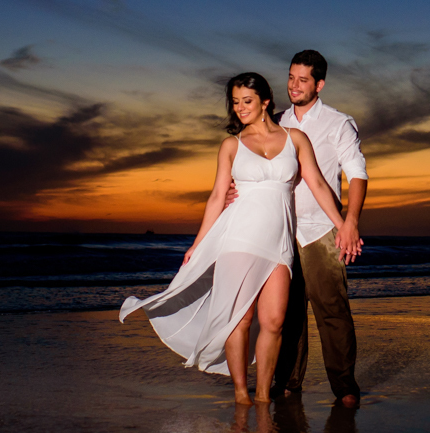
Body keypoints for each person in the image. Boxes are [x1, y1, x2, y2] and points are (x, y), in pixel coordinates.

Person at [119, 72, 348, 405]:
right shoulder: (231, 145)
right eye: (236, 102)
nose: (240, 108)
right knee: (240, 319)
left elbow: (318, 184)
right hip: (239, 239)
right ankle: (243, 395)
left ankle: (264, 397)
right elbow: (216, 197)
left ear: (265, 101)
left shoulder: (296, 138)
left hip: (280, 244)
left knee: (274, 321)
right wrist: (198, 244)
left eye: (247, 101)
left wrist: (342, 224)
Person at [226, 50, 367, 408]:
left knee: (332, 310)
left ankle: (344, 386)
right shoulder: (275, 122)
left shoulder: (338, 123)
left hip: (320, 229)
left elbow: (357, 174)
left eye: (303, 80)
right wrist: (233, 191)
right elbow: (250, 168)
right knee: (286, 316)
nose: (294, 85)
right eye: (290, 78)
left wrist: (349, 223)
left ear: (319, 84)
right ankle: (288, 382)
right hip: (279, 232)